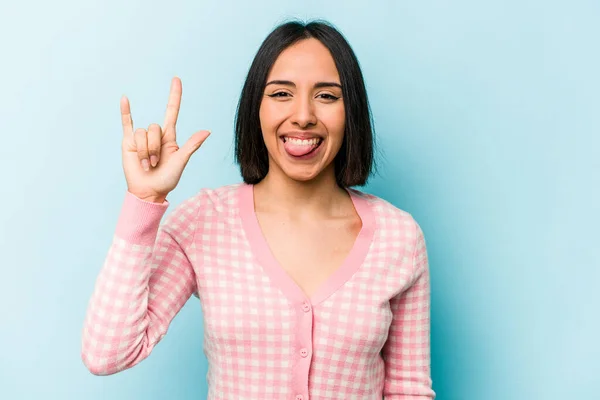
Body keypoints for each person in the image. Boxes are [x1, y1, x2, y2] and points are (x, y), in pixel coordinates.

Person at [81, 19, 436, 400]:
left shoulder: (398, 237)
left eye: (327, 96)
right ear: (256, 108)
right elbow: (107, 353)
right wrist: (145, 200)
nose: (303, 115)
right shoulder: (205, 221)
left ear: (352, 114)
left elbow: (408, 390)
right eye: (281, 93)